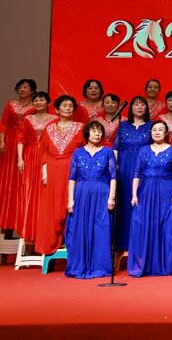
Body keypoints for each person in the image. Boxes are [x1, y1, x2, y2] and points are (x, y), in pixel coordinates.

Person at [128, 121, 172, 277]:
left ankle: (164, 264)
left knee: (166, 225)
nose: (157, 132)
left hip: (166, 190)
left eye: (160, 130)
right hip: (146, 190)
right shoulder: (143, 150)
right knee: (144, 224)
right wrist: (134, 194)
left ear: (166, 133)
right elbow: (137, 174)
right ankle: (144, 263)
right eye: (154, 130)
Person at [65, 121, 116, 279]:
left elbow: (113, 177)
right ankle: (80, 265)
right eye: (94, 131)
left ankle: (100, 266)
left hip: (102, 193)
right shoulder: (78, 153)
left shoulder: (107, 152)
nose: (97, 134)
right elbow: (72, 178)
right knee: (80, 229)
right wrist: (70, 200)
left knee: (101, 229)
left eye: (100, 131)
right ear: (87, 133)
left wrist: (112, 197)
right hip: (82, 194)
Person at [35, 95, 85, 255]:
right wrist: (44, 171)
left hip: (72, 169)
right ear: (57, 109)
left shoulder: (81, 127)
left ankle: (73, 245)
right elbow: (44, 152)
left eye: (70, 106)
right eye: (64, 105)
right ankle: (50, 246)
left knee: (71, 204)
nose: (68, 108)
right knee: (52, 208)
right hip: (53, 170)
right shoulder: (49, 128)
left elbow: (85, 150)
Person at [113, 95, 152, 253]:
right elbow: (115, 149)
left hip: (144, 169)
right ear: (131, 108)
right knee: (124, 203)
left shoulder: (152, 126)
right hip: (124, 168)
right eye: (136, 104)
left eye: (143, 104)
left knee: (141, 203)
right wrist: (114, 169)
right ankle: (122, 243)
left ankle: (140, 243)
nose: (139, 107)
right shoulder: (122, 126)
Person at [16, 91, 56, 240]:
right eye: (36, 100)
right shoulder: (27, 119)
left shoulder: (55, 119)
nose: (38, 102)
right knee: (29, 192)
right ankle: (29, 231)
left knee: (45, 191)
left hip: (48, 155)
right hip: (30, 156)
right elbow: (21, 139)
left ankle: (45, 231)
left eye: (42, 100)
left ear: (48, 103)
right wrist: (20, 158)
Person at [0, 78, 36, 232]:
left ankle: (20, 218)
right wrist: (2, 141)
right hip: (10, 142)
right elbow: (3, 123)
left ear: (32, 90)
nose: (22, 89)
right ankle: (4, 218)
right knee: (7, 177)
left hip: (26, 143)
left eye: (26, 87)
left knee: (22, 178)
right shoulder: (11, 104)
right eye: (20, 87)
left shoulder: (36, 106)